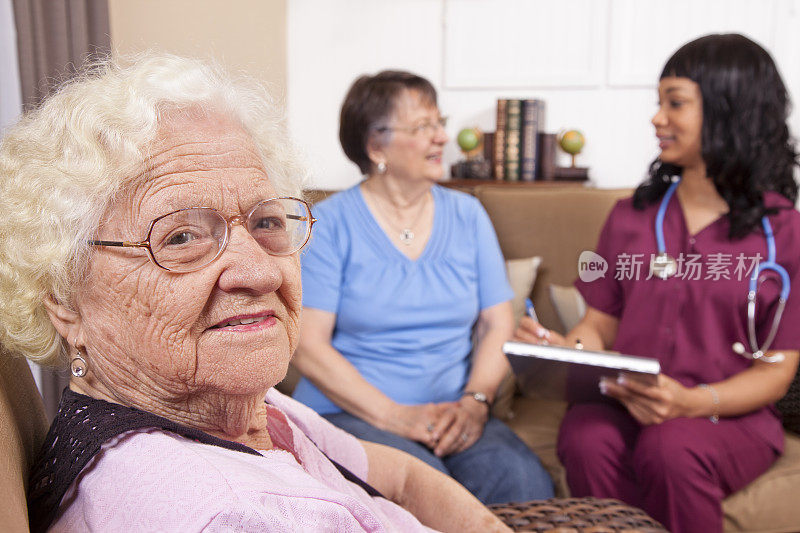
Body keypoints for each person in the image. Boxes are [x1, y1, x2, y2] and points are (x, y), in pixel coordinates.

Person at [0, 54, 511, 532]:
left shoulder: (243, 407)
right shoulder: (230, 513)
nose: (260, 272)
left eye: (266, 221)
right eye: (180, 236)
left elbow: (399, 477)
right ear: (64, 298)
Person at [515, 34, 800, 533]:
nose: (657, 118)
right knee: (586, 436)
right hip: (625, 401)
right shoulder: (631, 216)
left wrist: (693, 403)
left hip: (727, 416)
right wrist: (567, 350)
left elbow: (775, 372)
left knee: (672, 446)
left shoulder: (784, 232)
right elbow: (598, 324)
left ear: (729, 112)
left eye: (676, 103)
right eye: (658, 102)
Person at [291, 70, 553, 504]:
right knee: (425, 496)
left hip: (454, 411)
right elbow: (308, 346)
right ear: (377, 146)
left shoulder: (468, 215)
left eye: (439, 123)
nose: (442, 137)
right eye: (423, 127)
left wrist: (475, 401)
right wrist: (395, 416)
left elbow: (497, 324)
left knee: (521, 482)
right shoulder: (330, 224)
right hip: (353, 411)